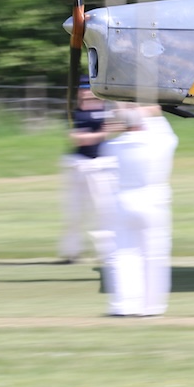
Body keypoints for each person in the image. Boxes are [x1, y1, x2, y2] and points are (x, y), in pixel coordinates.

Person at [103, 104, 179, 317]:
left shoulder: (114, 145)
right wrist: (152, 113)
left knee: (124, 253)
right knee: (154, 255)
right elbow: (170, 136)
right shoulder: (158, 142)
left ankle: (124, 304)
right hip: (153, 198)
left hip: (123, 199)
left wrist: (127, 113)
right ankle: (152, 306)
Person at [57, 77, 116, 265]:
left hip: (99, 165)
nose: (85, 91)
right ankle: (71, 252)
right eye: (82, 88)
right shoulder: (74, 112)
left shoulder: (105, 109)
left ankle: (106, 253)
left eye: (88, 88)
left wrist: (94, 135)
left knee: (103, 211)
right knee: (74, 212)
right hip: (79, 164)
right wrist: (100, 134)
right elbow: (77, 139)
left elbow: (114, 127)